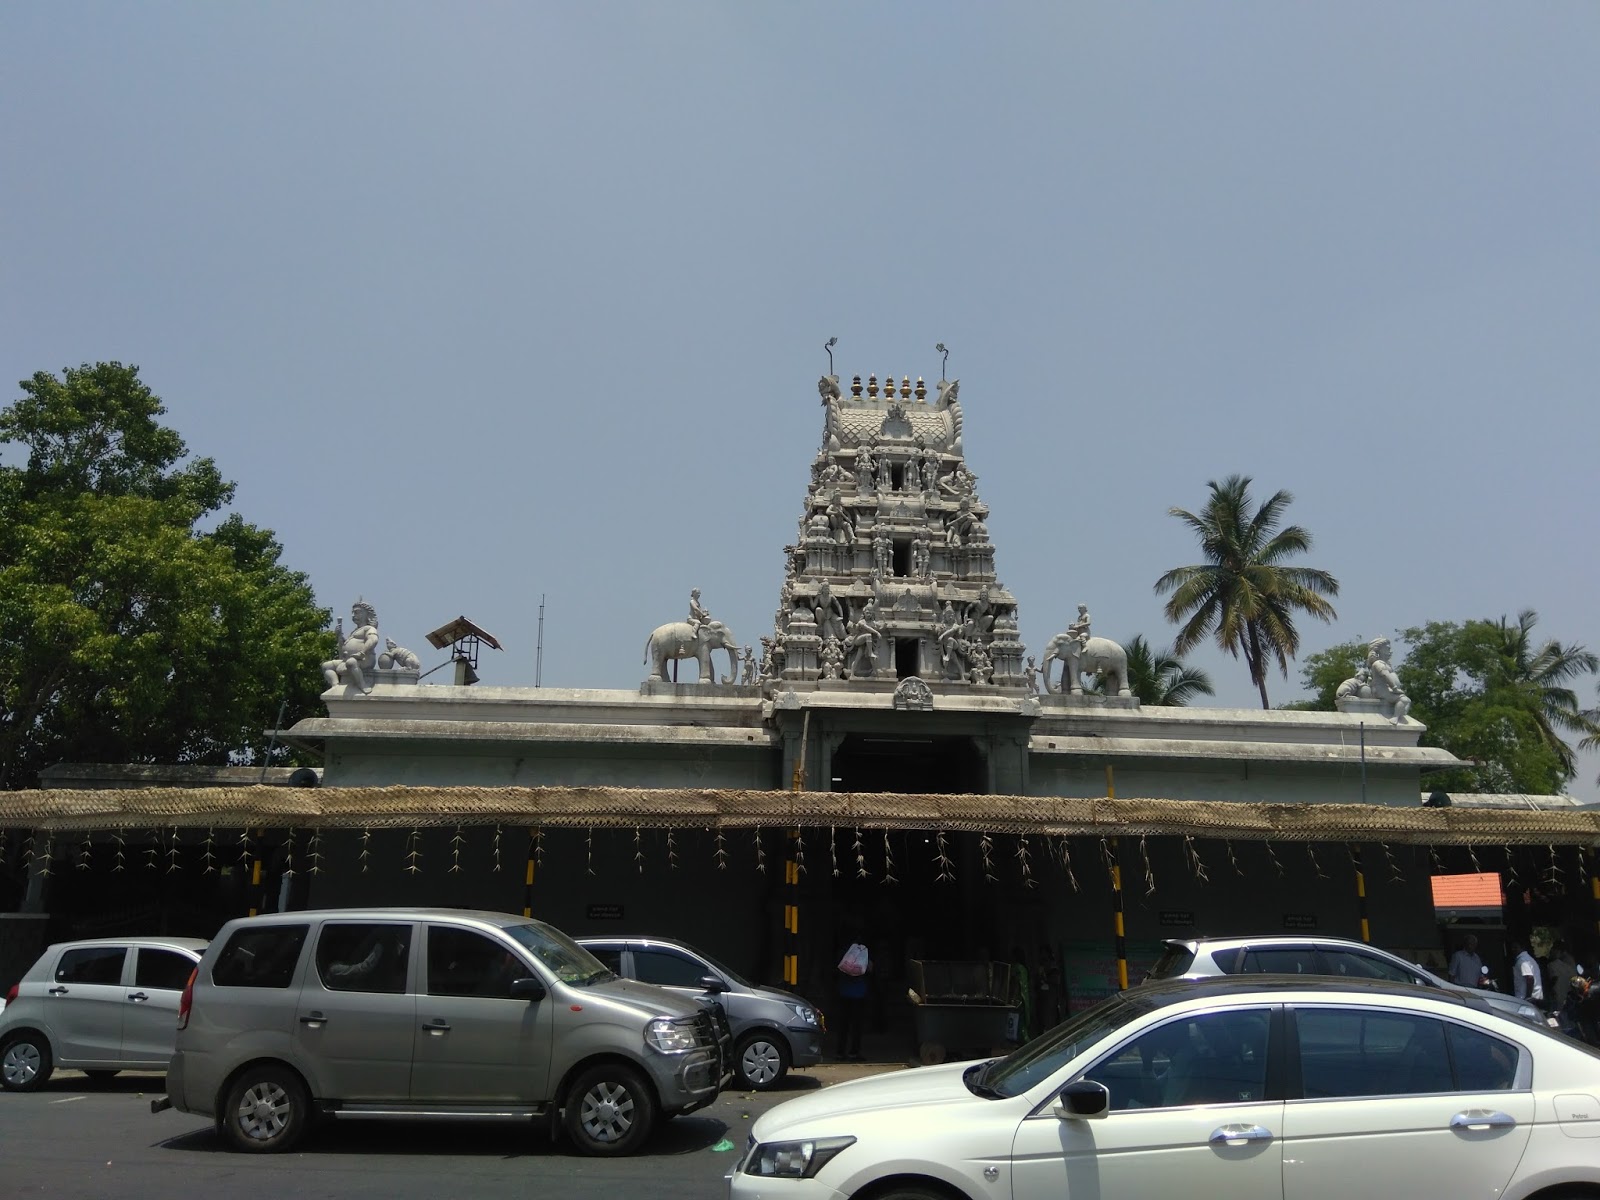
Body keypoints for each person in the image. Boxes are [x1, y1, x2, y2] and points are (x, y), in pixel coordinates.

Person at [321, 601, 381, 693]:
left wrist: (362, 652)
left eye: (357, 612)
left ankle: (362, 685)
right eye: (353, 613)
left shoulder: (369, 629)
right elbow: (343, 649)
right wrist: (339, 637)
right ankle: (336, 686)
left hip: (365, 659)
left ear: (366, 615)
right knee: (326, 666)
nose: (353, 615)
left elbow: (373, 640)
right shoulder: (354, 632)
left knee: (351, 662)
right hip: (349, 659)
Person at [834, 926, 872, 1061]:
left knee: (843, 1024)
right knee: (857, 1025)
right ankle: (854, 1052)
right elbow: (869, 969)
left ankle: (840, 1052)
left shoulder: (843, 952)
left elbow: (837, 969)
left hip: (844, 992)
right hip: (859, 993)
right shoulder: (863, 952)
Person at [1510, 939, 1544, 1005]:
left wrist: (1528, 998)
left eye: (1516, 947)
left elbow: (1530, 978)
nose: (1513, 950)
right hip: (1534, 997)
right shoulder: (1528, 958)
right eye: (1512, 947)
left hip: (1528, 1000)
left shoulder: (1522, 961)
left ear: (1522, 948)